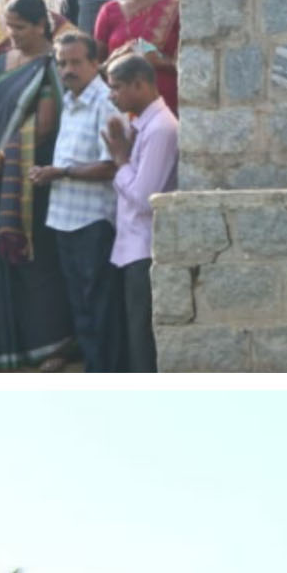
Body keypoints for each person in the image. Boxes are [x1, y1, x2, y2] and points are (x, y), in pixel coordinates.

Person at [0, 0, 72, 371]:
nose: (12, 34)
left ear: (40, 26)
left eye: (19, 27)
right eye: (8, 26)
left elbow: (45, 124)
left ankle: (50, 345)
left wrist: (5, 156)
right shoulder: (0, 63)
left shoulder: (51, 65)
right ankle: (5, 346)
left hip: (28, 176)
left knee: (33, 258)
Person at [33, 31, 120, 372]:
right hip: (64, 218)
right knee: (81, 307)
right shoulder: (69, 99)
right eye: (62, 63)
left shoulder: (106, 102)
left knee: (99, 307)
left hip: (94, 221)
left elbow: (111, 166)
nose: (68, 70)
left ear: (95, 63)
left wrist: (62, 172)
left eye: (75, 62)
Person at [102, 49, 178, 373]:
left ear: (140, 85)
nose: (112, 95)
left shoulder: (161, 128)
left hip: (144, 249)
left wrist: (121, 160)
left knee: (142, 341)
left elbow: (146, 197)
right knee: (135, 336)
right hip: (132, 248)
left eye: (117, 87)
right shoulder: (145, 126)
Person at [92, 0, 179, 115]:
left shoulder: (175, 7)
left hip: (165, 105)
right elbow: (96, 66)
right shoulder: (109, 11)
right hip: (121, 108)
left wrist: (159, 61)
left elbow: (193, 64)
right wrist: (114, 60)